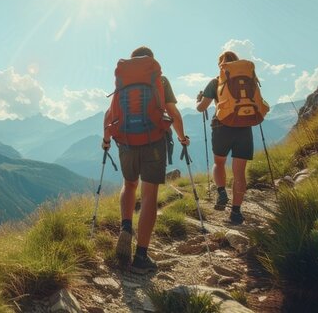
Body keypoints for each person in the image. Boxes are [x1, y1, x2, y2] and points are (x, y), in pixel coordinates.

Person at [102, 46, 189, 274]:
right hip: (153, 141)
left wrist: (106, 140)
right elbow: (174, 113)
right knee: (149, 194)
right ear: (152, 62)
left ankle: (126, 227)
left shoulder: (123, 81)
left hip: (127, 141)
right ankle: (141, 255)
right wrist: (182, 137)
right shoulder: (160, 80)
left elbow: (109, 114)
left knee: (129, 185)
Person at [195, 51, 250, 225]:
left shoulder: (215, 82)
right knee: (239, 172)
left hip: (221, 126)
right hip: (244, 126)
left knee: (219, 162)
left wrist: (200, 100)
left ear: (221, 65)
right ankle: (236, 213)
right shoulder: (248, 80)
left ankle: (221, 192)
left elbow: (201, 108)